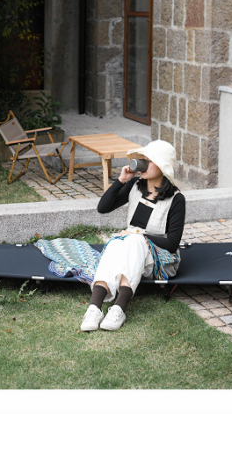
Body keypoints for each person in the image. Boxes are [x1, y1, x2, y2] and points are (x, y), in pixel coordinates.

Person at [80, 139, 186, 332]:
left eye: (148, 160)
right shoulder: (135, 185)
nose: (142, 163)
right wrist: (121, 180)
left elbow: (172, 243)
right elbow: (103, 208)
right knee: (115, 242)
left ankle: (119, 308)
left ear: (162, 166)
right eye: (142, 159)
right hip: (130, 250)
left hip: (161, 260)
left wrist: (137, 235)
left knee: (133, 239)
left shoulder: (176, 199)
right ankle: (94, 308)